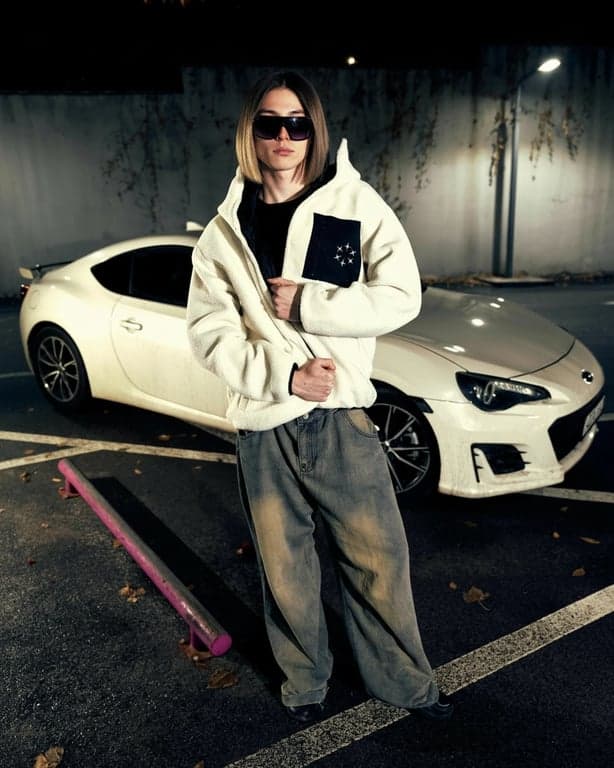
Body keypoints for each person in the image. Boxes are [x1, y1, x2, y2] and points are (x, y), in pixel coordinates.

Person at [186, 70, 453, 725]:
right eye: (269, 123)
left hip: (341, 420)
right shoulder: (222, 233)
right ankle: (305, 682)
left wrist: (312, 305)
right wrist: (283, 379)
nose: (284, 136)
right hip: (266, 426)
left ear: (314, 131)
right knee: (286, 572)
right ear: (250, 132)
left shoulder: (354, 204)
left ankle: (406, 684)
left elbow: (402, 296)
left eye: (297, 124)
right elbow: (210, 334)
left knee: (379, 562)